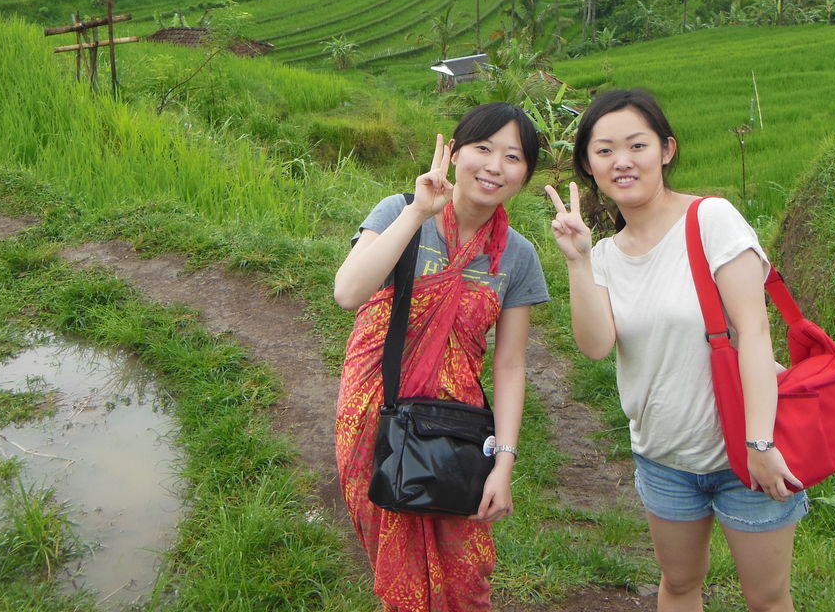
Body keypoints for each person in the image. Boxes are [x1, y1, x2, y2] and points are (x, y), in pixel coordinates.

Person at [545, 88, 805, 612]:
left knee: (767, 596)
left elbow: (755, 332)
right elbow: (596, 346)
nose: (622, 161)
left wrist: (759, 444)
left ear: (666, 150)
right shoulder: (604, 255)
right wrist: (578, 262)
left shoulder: (711, 220)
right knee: (680, 583)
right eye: (604, 150)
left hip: (744, 451)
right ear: (589, 166)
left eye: (637, 145)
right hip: (662, 457)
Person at [334, 102, 549, 612]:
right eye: (483, 149)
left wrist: (504, 462)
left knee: (466, 573)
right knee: (393, 557)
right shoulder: (399, 210)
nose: (494, 166)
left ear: (525, 174)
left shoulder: (518, 257)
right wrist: (417, 213)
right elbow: (348, 292)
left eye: (512, 157)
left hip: (454, 430)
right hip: (375, 414)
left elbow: (510, 365)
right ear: (454, 153)